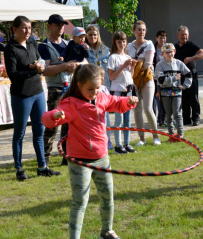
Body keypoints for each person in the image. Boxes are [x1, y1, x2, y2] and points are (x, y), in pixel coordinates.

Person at [41, 64, 138, 239]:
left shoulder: (101, 97)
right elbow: (47, 119)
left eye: (98, 88)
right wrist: (55, 116)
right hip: (80, 161)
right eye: (90, 89)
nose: (94, 92)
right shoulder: (71, 105)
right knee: (80, 202)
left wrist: (128, 101)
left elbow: (116, 102)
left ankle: (106, 231)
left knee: (107, 197)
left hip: (102, 157)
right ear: (79, 85)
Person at [4, 16, 57, 180]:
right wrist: (34, 70)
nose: (27, 31)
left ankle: (42, 167)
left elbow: (39, 60)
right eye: (24, 28)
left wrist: (40, 65)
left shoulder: (32, 43)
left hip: (38, 92)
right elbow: (12, 75)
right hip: (22, 96)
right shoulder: (10, 48)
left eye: (29, 27)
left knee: (39, 131)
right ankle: (19, 169)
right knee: (19, 133)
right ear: (14, 29)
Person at [38, 14, 86, 167]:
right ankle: (45, 160)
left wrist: (75, 66)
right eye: (57, 25)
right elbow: (44, 70)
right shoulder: (44, 46)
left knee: (70, 125)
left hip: (71, 88)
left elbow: (84, 60)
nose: (61, 27)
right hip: (56, 89)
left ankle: (68, 157)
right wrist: (65, 66)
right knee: (53, 124)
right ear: (50, 26)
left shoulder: (69, 43)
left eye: (62, 25)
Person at [126, 20, 161, 146]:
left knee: (147, 108)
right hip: (132, 79)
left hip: (146, 78)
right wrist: (133, 65)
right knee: (137, 109)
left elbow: (147, 63)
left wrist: (133, 63)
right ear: (134, 31)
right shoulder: (129, 46)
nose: (142, 32)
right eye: (139, 29)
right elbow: (125, 62)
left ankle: (156, 136)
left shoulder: (149, 44)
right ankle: (141, 139)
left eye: (144, 30)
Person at [108, 31, 137, 154]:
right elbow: (111, 77)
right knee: (118, 119)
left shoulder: (127, 57)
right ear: (115, 43)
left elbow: (130, 76)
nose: (122, 44)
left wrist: (133, 66)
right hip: (118, 91)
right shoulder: (113, 57)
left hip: (128, 91)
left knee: (127, 119)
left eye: (124, 41)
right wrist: (123, 66)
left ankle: (127, 143)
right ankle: (118, 145)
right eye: (119, 41)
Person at [155, 43, 192, 140]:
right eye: (167, 52)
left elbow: (189, 74)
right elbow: (161, 80)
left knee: (177, 113)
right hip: (164, 93)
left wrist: (184, 85)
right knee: (168, 114)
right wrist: (174, 78)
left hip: (177, 92)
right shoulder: (159, 65)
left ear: (174, 52)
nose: (169, 54)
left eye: (171, 52)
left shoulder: (179, 63)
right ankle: (172, 135)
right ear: (163, 54)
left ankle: (180, 134)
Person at [86, 25, 113, 149]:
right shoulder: (84, 50)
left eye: (95, 34)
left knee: (105, 114)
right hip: (90, 88)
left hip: (104, 86)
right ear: (86, 35)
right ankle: (94, 142)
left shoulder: (106, 50)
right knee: (91, 115)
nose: (93, 37)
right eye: (90, 34)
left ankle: (108, 141)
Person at [174, 25, 203, 126]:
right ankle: (186, 118)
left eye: (186, 34)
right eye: (182, 35)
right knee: (183, 98)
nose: (184, 36)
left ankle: (196, 118)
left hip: (191, 74)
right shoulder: (174, 47)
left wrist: (190, 58)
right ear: (177, 35)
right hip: (180, 75)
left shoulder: (191, 44)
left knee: (193, 97)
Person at [153, 29, 167, 127]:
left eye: (164, 38)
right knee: (154, 99)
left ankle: (162, 119)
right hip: (154, 77)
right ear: (157, 38)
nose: (162, 40)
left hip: (165, 78)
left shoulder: (167, 48)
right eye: (160, 38)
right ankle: (153, 119)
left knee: (163, 99)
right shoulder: (153, 48)